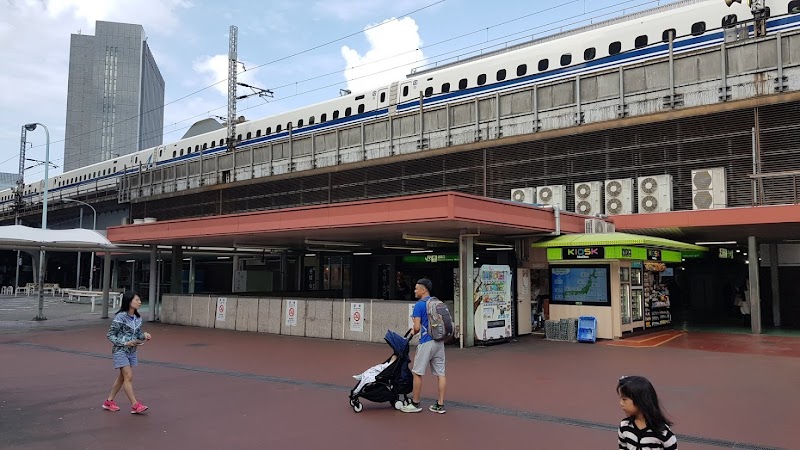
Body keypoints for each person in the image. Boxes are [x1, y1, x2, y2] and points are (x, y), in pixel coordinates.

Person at [400, 278, 446, 414]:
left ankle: (415, 403)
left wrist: (413, 327)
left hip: (426, 342)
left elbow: (417, 328)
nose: (414, 291)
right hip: (439, 342)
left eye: (416, 288)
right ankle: (440, 404)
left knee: (417, 372)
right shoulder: (437, 302)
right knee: (441, 374)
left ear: (423, 289)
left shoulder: (420, 305)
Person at [102, 291, 151, 414]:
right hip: (120, 350)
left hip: (132, 351)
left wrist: (144, 335)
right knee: (128, 376)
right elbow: (110, 335)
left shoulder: (138, 318)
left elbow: (137, 333)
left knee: (122, 378)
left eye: (140, 300)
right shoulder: (120, 317)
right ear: (129, 302)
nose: (139, 302)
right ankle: (135, 405)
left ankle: (109, 401)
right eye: (137, 300)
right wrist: (125, 343)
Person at [617, 376, 677, 450]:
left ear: (640, 400)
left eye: (624, 399)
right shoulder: (624, 426)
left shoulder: (663, 433)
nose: (621, 403)